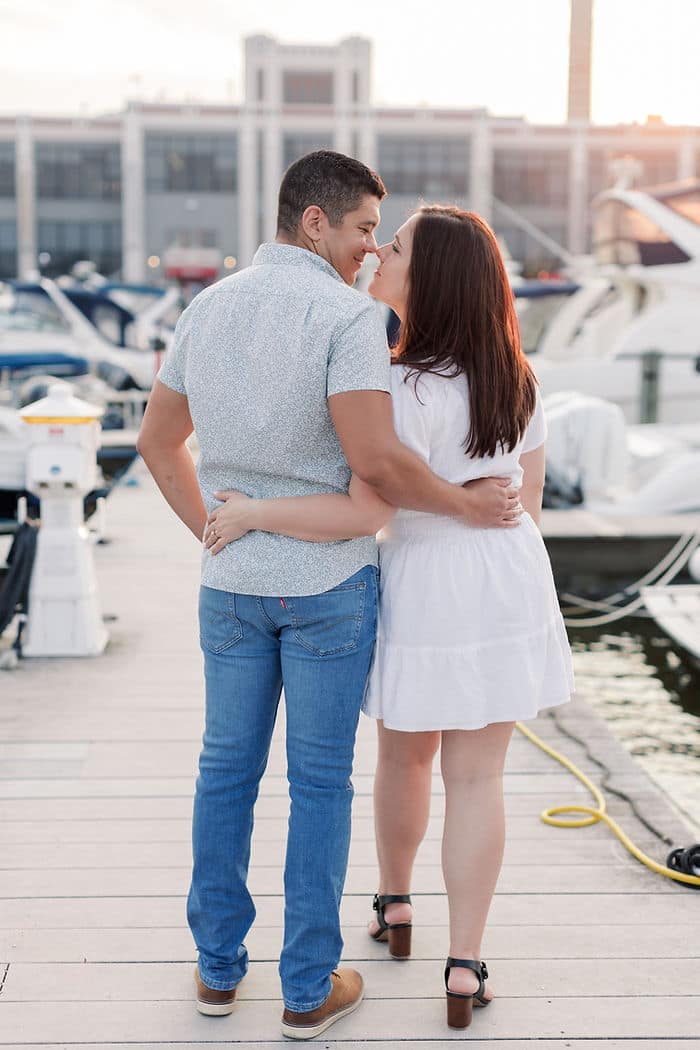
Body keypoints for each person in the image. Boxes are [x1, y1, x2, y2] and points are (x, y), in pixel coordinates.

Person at [136, 155, 522, 1042]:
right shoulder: (350, 318)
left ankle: (217, 973)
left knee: (223, 776)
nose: (366, 251)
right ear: (315, 222)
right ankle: (307, 988)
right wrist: (466, 504)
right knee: (318, 785)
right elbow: (380, 467)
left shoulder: (207, 306)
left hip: (231, 589)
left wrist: (217, 529)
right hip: (329, 587)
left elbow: (160, 447)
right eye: (359, 231)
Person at [203, 205, 575, 1032]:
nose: (378, 253)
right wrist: (484, 515)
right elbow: (532, 501)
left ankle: (396, 903)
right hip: (505, 575)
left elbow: (364, 508)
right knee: (478, 777)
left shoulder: (391, 380)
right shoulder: (520, 375)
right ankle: (465, 962)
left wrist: (259, 511)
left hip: (421, 571)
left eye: (396, 245)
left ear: (428, 275)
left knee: (405, 761)